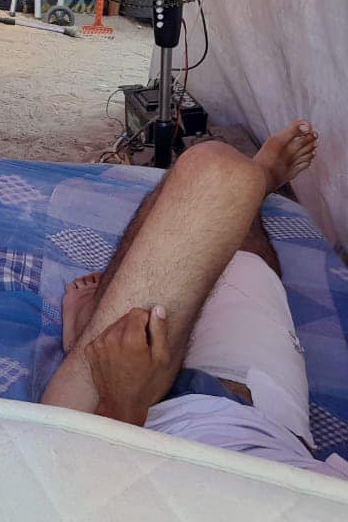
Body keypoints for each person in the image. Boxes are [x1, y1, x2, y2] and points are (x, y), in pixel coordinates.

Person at [41, 121, 348, 479]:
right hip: (256, 417)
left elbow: (78, 489)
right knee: (218, 174)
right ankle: (259, 181)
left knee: (215, 175)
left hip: (95, 431)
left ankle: (86, 336)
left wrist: (121, 404)